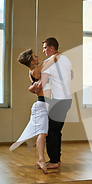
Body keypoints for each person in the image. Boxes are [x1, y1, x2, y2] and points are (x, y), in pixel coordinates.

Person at [10, 49, 55, 174]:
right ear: (31, 62)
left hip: (44, 105)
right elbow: (50, 62)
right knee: (42, 133)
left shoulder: (36, 71)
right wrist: (56, 54)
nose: (38, 56)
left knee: (43, 133)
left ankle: (41, 158)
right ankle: (41, 159)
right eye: (35, 56)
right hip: (41, 105)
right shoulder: (35, 71)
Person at [37, 37, 74, 170]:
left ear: (51, 48)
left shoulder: (49, 62)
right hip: (67, 100)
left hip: (58, 101)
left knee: (51, 131)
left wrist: (34, 85)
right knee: (56, 131)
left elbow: (42, 83)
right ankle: (56, 159)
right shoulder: (66, 59)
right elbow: (71, 75)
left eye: (45, 48)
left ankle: (54, 161)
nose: (43, 50)